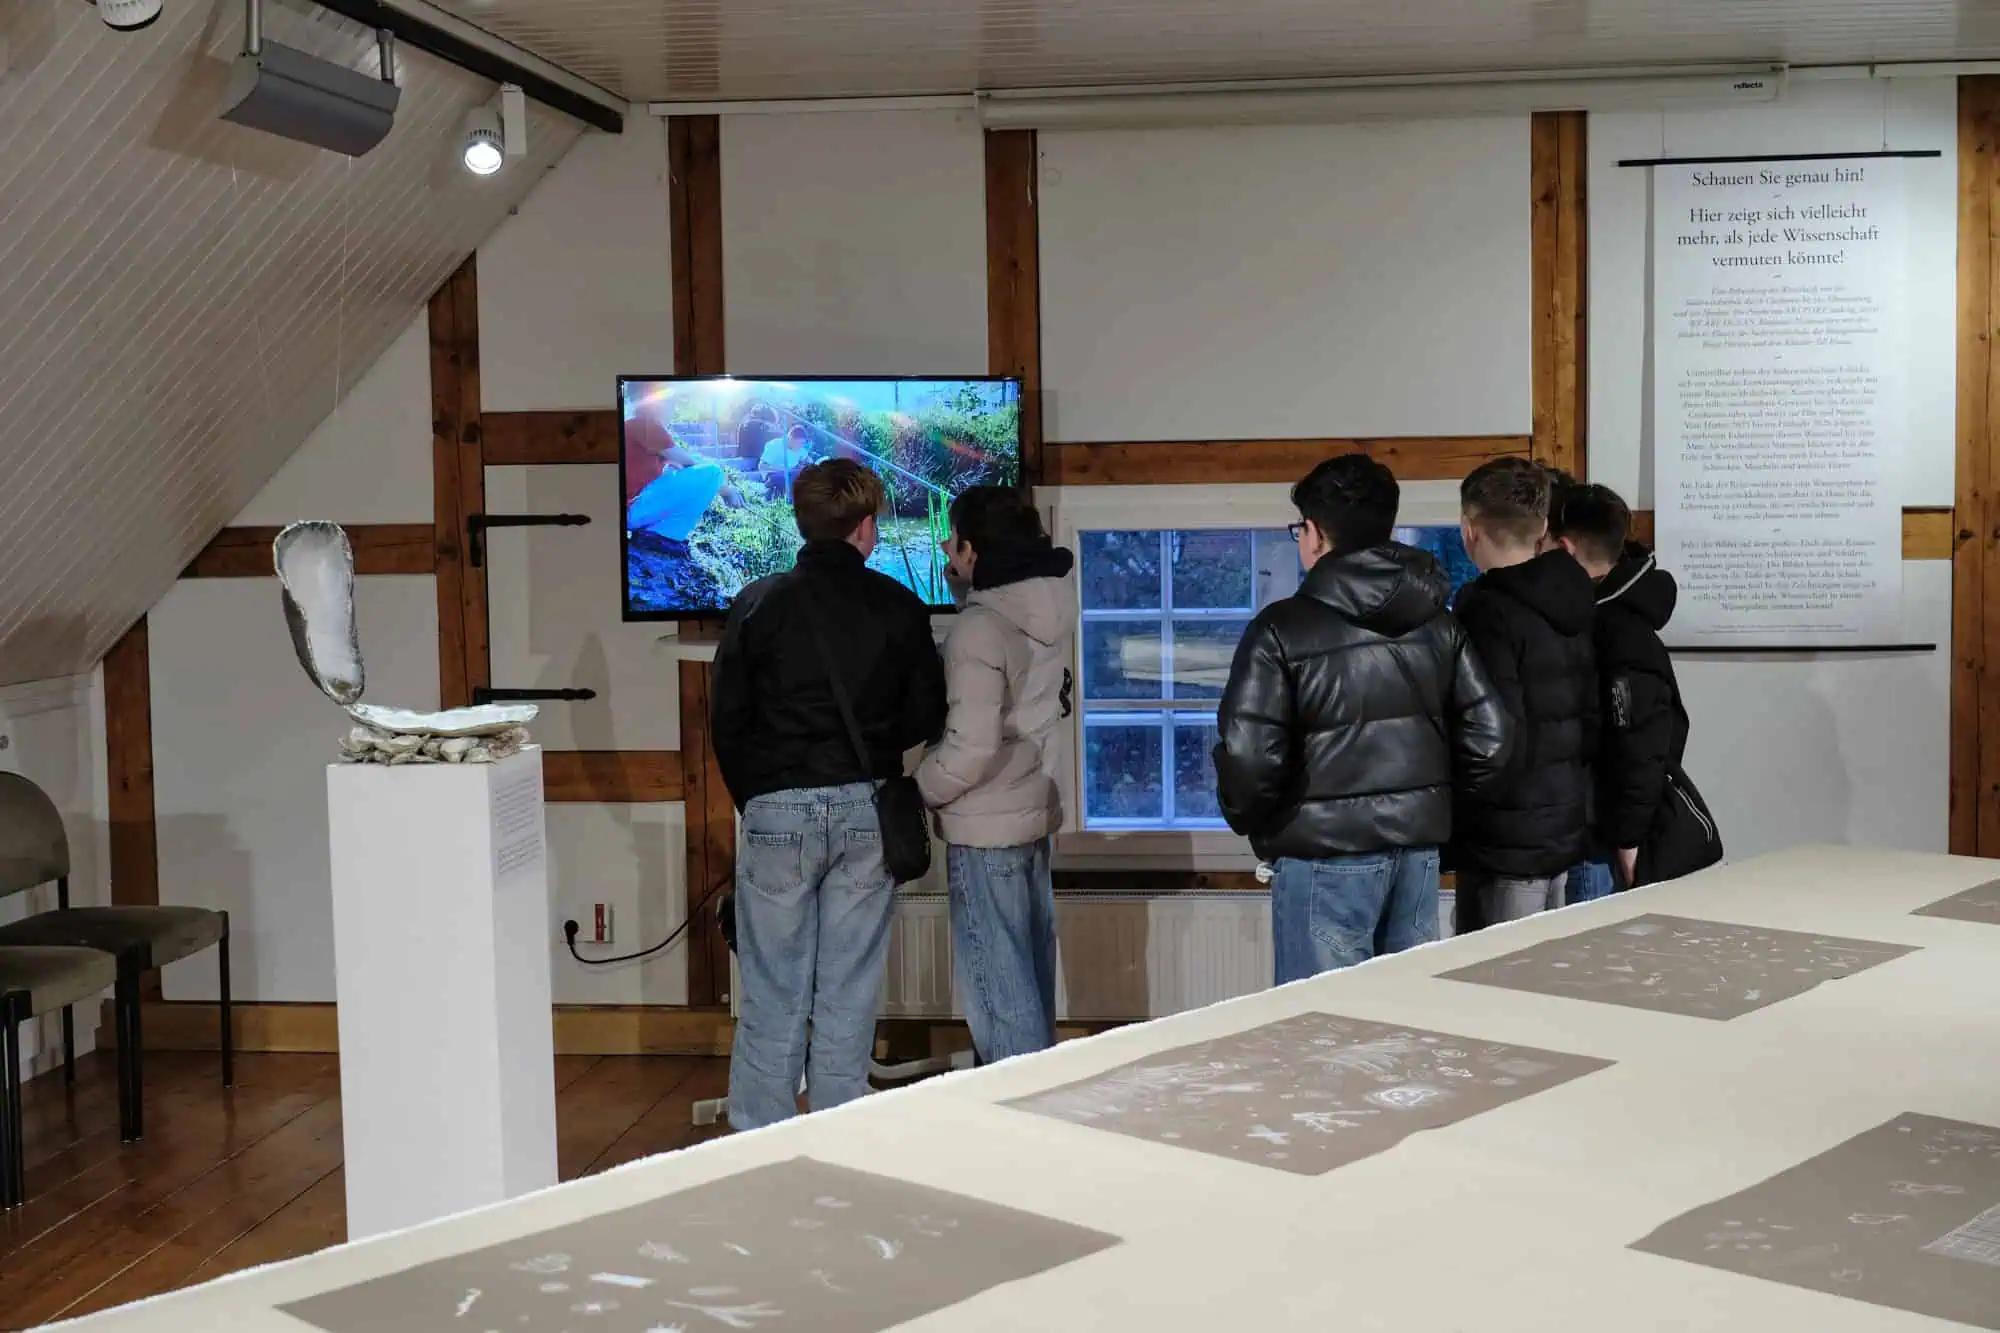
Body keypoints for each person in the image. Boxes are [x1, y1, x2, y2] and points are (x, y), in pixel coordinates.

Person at [709, 459, 947, 1130]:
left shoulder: (756, 603)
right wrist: (872, 749)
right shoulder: (899, 605)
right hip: (867, 808)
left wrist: (760, 798)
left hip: (774, 808)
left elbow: (727, 720)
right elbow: (926, 714)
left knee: (772, 997)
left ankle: (760, 1153)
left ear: (801, 522)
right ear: (866, 528)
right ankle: (842, 1143)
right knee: (848, 995)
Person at [1214, 453, 1513, 983]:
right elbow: (1490, 739)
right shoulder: (1438, 624)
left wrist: (1260, 822)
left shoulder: (1281, 630)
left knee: (1324, 1021)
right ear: (1386, 529)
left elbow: (1249, 758)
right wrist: (1430, 807)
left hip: (1321, 857)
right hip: (1416, 853)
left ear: (1314, 534)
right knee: (1405, 1014)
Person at [916, 486, 1075, 1064]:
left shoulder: (979, 630)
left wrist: (921, 789)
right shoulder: (1045, 606)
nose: (947, 548)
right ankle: (1041, 1102)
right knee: (1029, 984)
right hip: (1029, 813)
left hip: (984, 826)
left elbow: (973, 745)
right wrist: (967, 581)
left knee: (1001, 1000)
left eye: (954, 540)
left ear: (974, 548)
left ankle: (1014, 1115)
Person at [1450, 457, 1598, 929]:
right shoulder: (1574, 599)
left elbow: (1490, 736)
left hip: (1504, 838)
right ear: (1542, 530)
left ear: (1470, 531)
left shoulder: (1486, 612)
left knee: (1494, 969)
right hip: (1561, 824)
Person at [1548, 481, 1692, 892]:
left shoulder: (1615, 629)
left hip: (1601, 840)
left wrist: (1629, 838)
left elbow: (1640, 740)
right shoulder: (1612, 617)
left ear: (1565, 548)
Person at [756, 424, 816, 494]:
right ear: (790, 439)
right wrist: (783, 469)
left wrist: (807, 464)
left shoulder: (800, 449)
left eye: (803, 443)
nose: (801, 446)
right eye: (800, 443)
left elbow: (807, 459)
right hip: (774, 475)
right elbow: (762, 466)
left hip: (791, 474)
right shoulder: (774, 445)